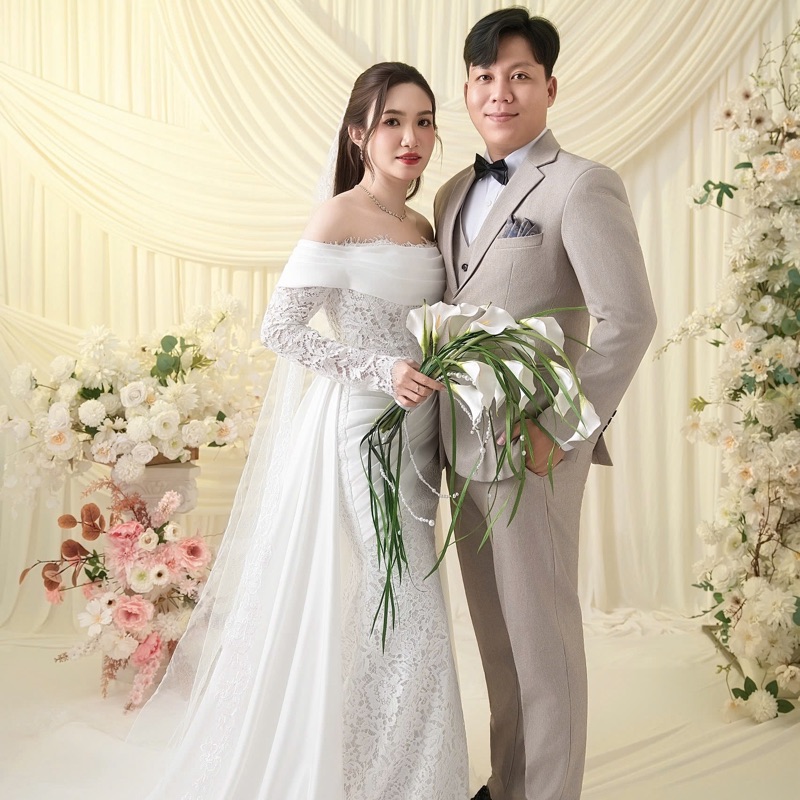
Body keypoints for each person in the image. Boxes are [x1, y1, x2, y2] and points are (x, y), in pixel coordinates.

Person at [128, 62, 468, 799]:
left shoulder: (423, 225)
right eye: (391, 121)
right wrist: (379, 369)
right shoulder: (337, 217)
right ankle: (396, 782)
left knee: (399, 599)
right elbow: (280, 329)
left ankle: (377, 763)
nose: (410, 137)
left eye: (423, 121)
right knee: (406, 599)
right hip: (365, 431)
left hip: (421, 433)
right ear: (358, 134)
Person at [434, 9, 657, 800]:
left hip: (535, 451)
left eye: (520, 76)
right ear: (468, 89)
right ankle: (511, 783)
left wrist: (559, 431)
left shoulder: (582, 184)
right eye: (485, 77)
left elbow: (629, 318)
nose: (500, 92)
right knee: (497, 640)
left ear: (550, 88)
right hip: (461, 446)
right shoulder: (451, 191)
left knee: (543, 637)